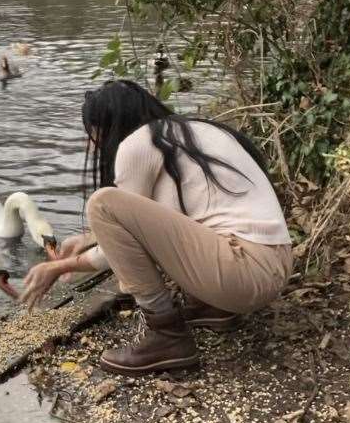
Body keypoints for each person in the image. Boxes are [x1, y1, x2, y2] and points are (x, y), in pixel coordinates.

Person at [19, 80, 293, 375]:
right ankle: (211, 307)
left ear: (108, 127)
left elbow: (118, 245)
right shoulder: (195, 132)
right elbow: (163, 222)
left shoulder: (137, 145)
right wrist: (90, 237)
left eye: (93, 134)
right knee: (123, 211)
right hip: (275, 266)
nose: (92, 144)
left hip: (240, 272)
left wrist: (59, 268)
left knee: (103, 203)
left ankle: (165, 335)